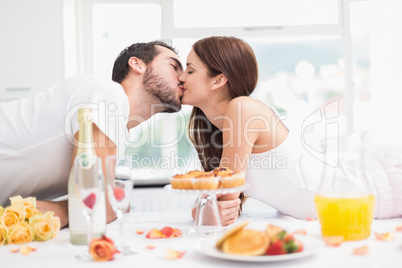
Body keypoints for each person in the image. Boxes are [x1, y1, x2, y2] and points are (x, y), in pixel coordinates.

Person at [178, 36, 402, 224]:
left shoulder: (243, 108)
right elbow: (220, 208)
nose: (181, 77)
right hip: (361, 197)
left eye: (190, 70)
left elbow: (223, 202)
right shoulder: (222, 127)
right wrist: (206, 210)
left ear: (218, 80)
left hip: (378, 184)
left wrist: (204, 210)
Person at [0, 40, 184, 228]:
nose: (183, 77)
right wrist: (70, 209)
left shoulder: (118, 128)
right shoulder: (107, 94)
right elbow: (95, 207)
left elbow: (102, 205)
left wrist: (71, 208)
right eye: (174, 66)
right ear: (137, 64)